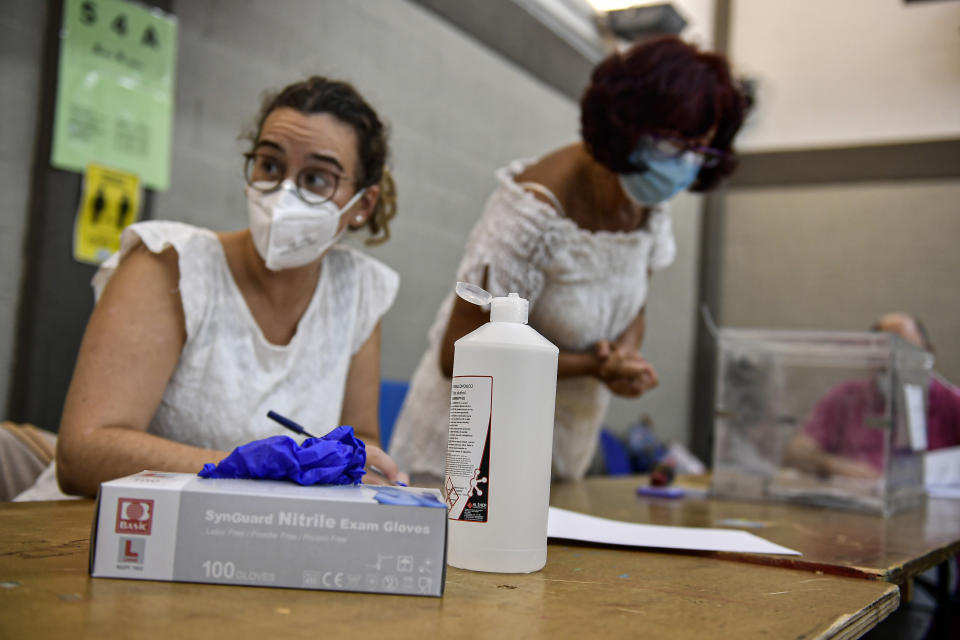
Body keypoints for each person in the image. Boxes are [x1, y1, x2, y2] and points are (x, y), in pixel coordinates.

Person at [389, 36, 747, 480]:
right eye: (674, 145)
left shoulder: (649, 205)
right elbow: (457, 354)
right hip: (468, 454)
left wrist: (625, 356)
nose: (685, 163)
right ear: (628, 123)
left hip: (559, 450)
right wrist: (595, 367)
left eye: (699, 149)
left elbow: (633, 304)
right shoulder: (534, 211)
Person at [55, 76, 407, 498]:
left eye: (317, 179)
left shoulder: (358, 290)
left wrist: (359, 469)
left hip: (251, 539)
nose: (284, 194)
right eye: (271, 166)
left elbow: (359, 438)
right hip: (96, 530)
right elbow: (82, 455)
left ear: (362, 205)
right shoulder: (169, 265)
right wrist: (249, 468)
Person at [784, 312, 960, 479]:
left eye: (907, 351)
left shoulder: (950, 401)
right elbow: (797, 451)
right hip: (856, 503)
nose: (895, 362)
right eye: (886, 352)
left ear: (928, 353)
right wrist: (834, 466)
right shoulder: (846, 397)